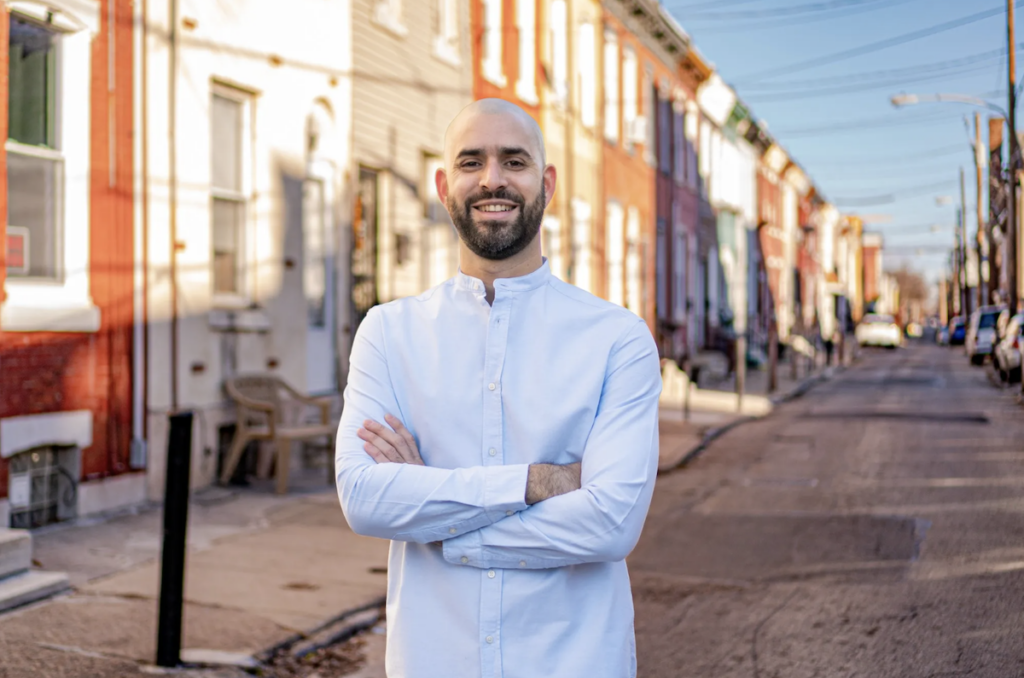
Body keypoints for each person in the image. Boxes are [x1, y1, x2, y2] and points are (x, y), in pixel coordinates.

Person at [335, 98, 661, 678]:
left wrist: (435, 516)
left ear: (547, 182)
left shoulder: (617, 339)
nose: (492, 179)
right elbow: (364, 498)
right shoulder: (388, 333)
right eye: (470, 162)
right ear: (443, 184)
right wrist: (537, 482)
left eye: (514, 161)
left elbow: (611, 524)